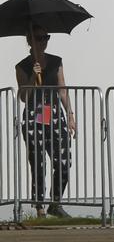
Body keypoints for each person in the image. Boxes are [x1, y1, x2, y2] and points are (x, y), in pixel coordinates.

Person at [15, 25, 76, 218]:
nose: (43, 41)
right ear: (30, 41)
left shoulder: (56, 61)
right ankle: (39, 204)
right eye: (39, 38)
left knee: (64, 160)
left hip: (55, 114)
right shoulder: (22, 66)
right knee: (38, 161)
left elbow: (62, 89)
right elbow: (24, 96)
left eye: (46, 37)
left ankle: (55, 202)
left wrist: (71, 115)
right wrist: (33, 76)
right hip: (35, 115)